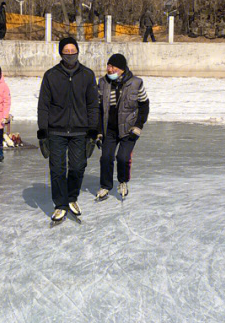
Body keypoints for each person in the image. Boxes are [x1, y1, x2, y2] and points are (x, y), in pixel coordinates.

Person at [37, 36, 99, 223]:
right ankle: (60, 205)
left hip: (80, 131)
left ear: (78, 52)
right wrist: (43, 133)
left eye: (73, 51)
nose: (70, 54)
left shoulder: (87, 75)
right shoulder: (51, 75)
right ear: (61, 53)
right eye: (67, 51)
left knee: (78, 167)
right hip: (56, 131)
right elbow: (43, 106)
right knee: (57, 169)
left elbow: (93, 105)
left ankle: (71, 197)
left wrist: (92, 132)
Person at [94, 54, 149, 202]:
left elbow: (144, 105)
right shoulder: (102, 83)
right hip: (109, 129)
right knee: (106, 158)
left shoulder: (136, 83)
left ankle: (123, 182)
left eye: (113, 67)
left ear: (122, 69)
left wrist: (138, 126)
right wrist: (98, 131)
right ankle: (105, 186)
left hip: (128, 129)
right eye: (108, 65)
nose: (109, 69)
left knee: (123, 158)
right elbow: (98, 108)